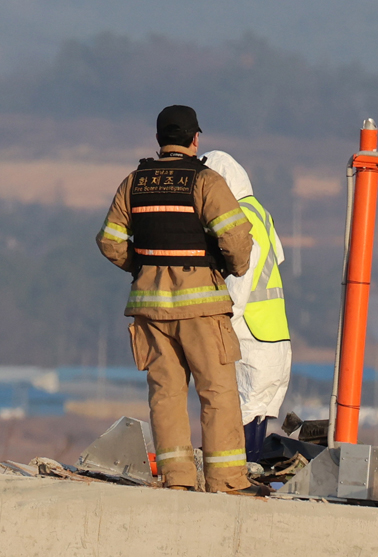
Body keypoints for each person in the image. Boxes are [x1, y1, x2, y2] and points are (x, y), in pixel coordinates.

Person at [95, 106, 256, 493]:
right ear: (195, 139)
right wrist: (229, 268)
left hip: (150, 310)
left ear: (159, 140)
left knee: (165, 394)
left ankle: (178, 481)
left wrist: (141, 266)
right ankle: (227, 481)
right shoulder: (206, 181)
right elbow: (236, 240)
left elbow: (110, 241)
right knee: (216, 391)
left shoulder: (134, 182)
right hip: (201, 307)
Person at [201, 151, 291, 465]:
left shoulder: (239, 218)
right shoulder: (261, 212)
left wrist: (223, 317)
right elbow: (276, 259)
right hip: (276, 335)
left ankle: (238, 481)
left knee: (241, 415)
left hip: (251, 334)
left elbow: (243, 275)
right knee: (259, 413)